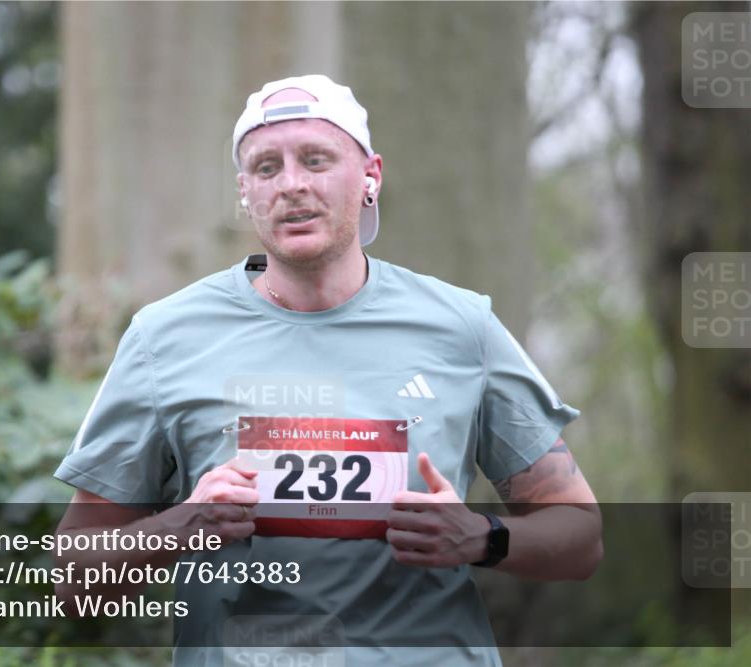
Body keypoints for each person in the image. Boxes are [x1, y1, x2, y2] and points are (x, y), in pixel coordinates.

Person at [54, 74, 602, 666]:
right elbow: (73, 582)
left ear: (371, 176)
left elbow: (580, 537)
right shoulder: (164, 338)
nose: (292, 184)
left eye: (316, 160)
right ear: (245, 191)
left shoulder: (463, 327)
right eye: (267, 167)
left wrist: (482, 537)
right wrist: (184, 525)